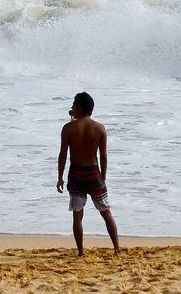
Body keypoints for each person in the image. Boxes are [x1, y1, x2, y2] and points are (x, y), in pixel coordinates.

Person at [57, 92, 120, 256]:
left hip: (76, 174)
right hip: (93, 174)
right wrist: (103, 176)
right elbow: (103, 156)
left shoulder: (68, 128)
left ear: (79, 108)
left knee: (78, 216)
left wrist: (59, 177)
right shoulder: (99, 128)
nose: (71, 108)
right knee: (106, 212)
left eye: (73, 106)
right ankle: (117, 249)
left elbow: (63, 155)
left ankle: (81, 253)